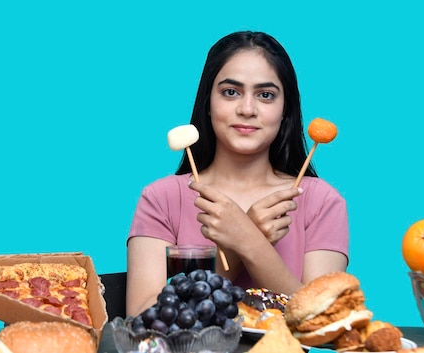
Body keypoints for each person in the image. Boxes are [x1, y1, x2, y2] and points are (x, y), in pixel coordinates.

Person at [126, 31, 348, 317]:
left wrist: (251, 242)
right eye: (231, 92)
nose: (247, 109)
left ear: (285, 110)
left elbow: (319, 321)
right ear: (207, 102)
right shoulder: (161, 198)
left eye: (265, 95)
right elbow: (143, 318)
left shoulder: (321, 202)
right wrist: (239, 244)